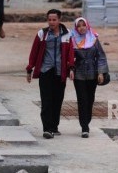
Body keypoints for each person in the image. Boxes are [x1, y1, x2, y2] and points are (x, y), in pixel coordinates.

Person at [26, 9, 75, 139]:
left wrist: (71, 69)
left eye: (54, 20)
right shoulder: (42, 34)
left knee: (57, 100)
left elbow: (70, 53)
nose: (52, 22)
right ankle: (47, 129)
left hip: (60, 72)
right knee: (46, 100)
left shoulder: (67, 34)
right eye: (49, 20)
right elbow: (34, 52)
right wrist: (29, 69)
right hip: (45, 71)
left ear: (59, 20)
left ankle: (54, 126)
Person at [71, 17, 108, 138]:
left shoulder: (94, 39)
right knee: (82, 100)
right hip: (79, 74)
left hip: (93, 74)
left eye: (83, 25)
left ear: (87, 26)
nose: (82, 28)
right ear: (76, 28)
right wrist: (70, 69)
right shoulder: (73, 40)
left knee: (90, 99)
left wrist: (101, 72)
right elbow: (69, 58)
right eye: (79, 26)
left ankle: (87, 121)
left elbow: (101, 56)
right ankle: (84, 127)